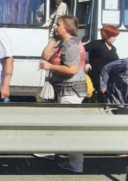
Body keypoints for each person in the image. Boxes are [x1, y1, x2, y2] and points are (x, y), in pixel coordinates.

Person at [36, 15, 87, 174]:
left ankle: (75, 164)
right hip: (65, 90)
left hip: (71, 91)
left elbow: (72, 69)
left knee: (71, 128)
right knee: (65, 124)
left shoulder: (71, 45)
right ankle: (55, 152)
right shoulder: (64, 43)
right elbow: (45, 55)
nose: (55, 27)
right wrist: (53, 39)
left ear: (67, 27)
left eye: (58, 25)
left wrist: (50, 67)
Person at [84, 25, 120, 102]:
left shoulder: (113, 48)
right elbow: (80, 51)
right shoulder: (95, 44)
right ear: (107, 35)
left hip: (108, 78)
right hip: (95, 77)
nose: (115, 39)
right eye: (113, 36)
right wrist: (86, 63)